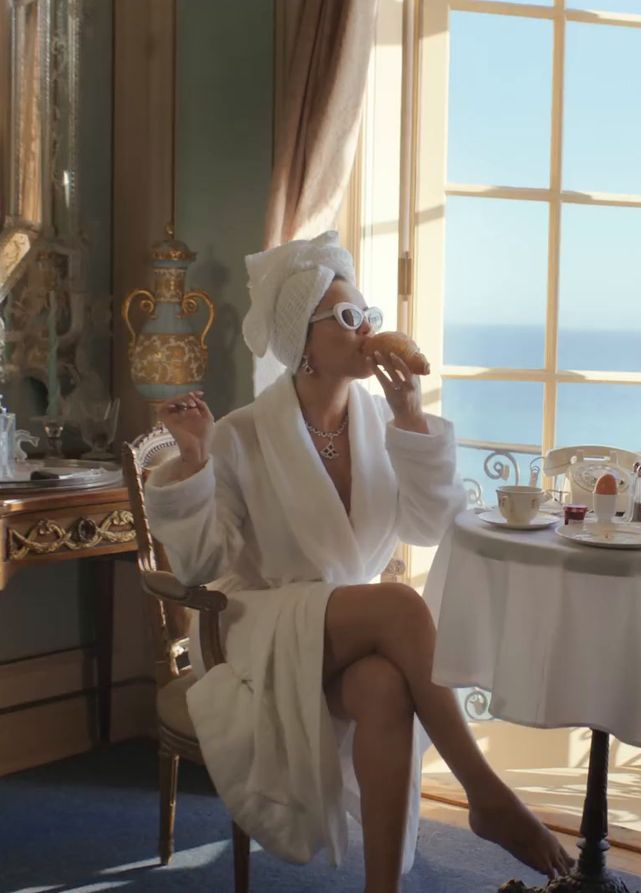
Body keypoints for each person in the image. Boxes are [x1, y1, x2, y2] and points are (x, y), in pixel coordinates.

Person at [146, 232, 573, 892]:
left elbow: (429, 524)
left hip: (348, 628)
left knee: (382, 684)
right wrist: (196, 460)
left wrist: (410, 418)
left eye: (366, 313)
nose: (367, 327)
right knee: (400, 604)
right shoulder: (242, 433)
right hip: (259, 624)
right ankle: (486, 793)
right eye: (346, 317)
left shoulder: (379, 420)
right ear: (304, 343)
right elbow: (200, 564)